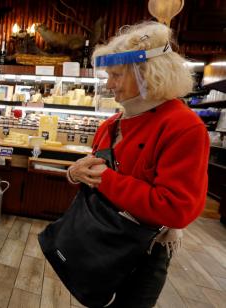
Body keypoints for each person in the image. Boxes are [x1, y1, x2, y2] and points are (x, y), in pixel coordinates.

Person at [66, 21, 209, 307]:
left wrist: (103, 178)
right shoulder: (113, 123)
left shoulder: (184, 127)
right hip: (102, 237)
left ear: (147, 73)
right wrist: (74, 172)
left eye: (116, 75)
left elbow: (175, 209)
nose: (108, 84)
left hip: (144, 252)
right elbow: (94, 172)